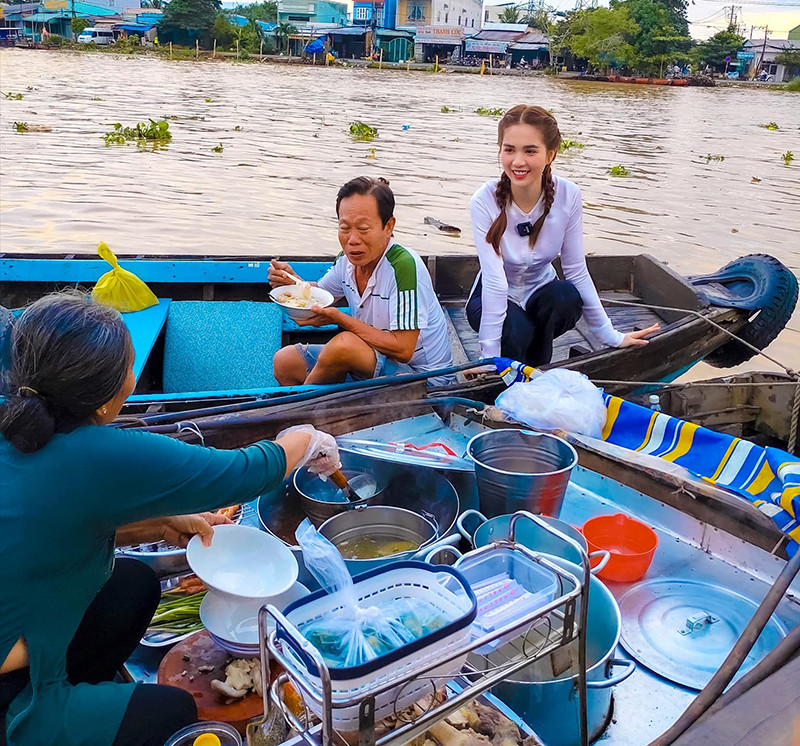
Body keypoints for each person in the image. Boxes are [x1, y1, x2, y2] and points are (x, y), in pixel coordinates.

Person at [0, 293, 340, 746]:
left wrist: (156, 524)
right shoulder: (100, 454)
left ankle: (84, 696)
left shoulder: (18, 427)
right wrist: (305, 436)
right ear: (102, 400)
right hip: (12, 697)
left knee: (132, 585)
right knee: (175, 713)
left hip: (24, 636)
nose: (133, 375)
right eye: (129, 365)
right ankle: (54, 721)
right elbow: (245, 472)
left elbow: (54, 524)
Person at [467, 105, 659, 367]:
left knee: (566, 299)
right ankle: (517, 366)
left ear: (551, 154)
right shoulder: (484, 200)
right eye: (509, 149)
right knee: (516, 330)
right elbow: (494, 281)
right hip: (491, 295)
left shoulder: (568, 196)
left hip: (540, 291)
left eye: (530, 150)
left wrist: (609, 335)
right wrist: (488, 357)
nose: (518, 161)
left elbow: (575, 269)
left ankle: (535, 366)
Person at [270, 176, 454, 387]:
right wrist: (290, 284)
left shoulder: (403, 266)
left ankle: (302, 411)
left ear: (388, 226)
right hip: (373, 360)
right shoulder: (346, 262)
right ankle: (334, 412)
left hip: (425, 380)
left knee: (344, 345)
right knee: (285, 361)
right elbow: (318, 297)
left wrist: (340, 319)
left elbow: (403, 349)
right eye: (345, 228)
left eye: (364, 229)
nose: (353, 239)